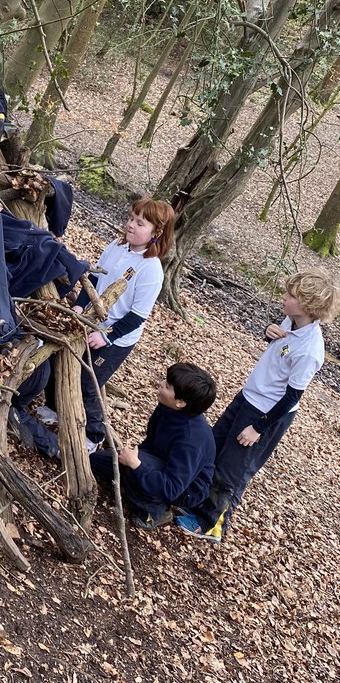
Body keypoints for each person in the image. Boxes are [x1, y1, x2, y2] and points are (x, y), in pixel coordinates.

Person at [177, 268, 340, 543]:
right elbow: (276, 345)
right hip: (248, 396)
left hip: (265, 413)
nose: (284, 298)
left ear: (309, 306)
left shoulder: (310, 351)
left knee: (232, 469)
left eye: (291, 296)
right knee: (213, 449)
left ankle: (211, 524)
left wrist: (258, 428)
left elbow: (292, 397)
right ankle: (195, 502)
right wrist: (268, 332)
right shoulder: (292, 321)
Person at [79, 197, 176, 447]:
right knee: (68, 363)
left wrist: (106, 335)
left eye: (140, 223)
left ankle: (93, 436)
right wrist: (79, 305)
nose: (131, 225)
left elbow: (137, 316)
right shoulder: (115, 246)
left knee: (89, 383)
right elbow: (93, 278)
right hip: (90, 320)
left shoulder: (151, 269)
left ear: (157, 232)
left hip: (116, 338)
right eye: (132, 218)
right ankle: (57, 410)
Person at [90, 362, 217, 529]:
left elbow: (172, 488)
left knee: (132, 467)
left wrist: (136, 465)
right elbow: (151, 441)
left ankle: (156, 511)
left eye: (168, 386)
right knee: (94, 461)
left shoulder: (191, 440)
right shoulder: (167, 407)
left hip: (184, 489)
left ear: (180, 402)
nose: (162, 384)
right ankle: (134, 483)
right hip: (159, 463)